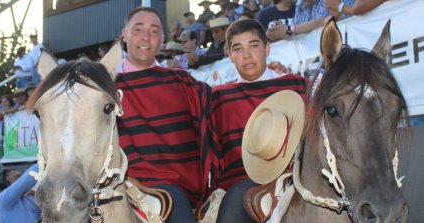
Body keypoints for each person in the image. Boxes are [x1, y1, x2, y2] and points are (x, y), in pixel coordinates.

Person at [118, 6, 213, 223]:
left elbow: (221, 106)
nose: (146, 37)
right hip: (118, 184)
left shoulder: (181, 82)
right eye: (138, 29)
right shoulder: (105, 86)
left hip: (173, 188)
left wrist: (269, 76)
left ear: (162, 38)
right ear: (124, 35)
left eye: (154, 31)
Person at [209, 19, 308, 222]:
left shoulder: (296, 86)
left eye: (254, 45)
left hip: (297, 178)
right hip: (240, 183)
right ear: (229, 54)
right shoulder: (218, 98)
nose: (246, 55)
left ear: (267, 48)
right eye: (238, 48)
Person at [266, 0, 353, 41]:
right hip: (313, 61)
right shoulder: (300, 5)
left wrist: (289, 28)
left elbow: (322, 22)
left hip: (339, 50)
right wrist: (280, 32)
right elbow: (296, 31)